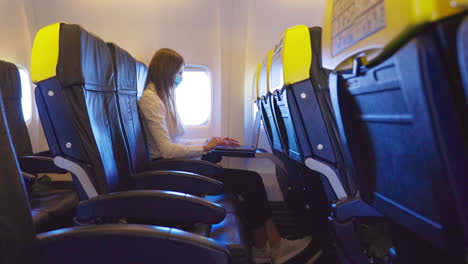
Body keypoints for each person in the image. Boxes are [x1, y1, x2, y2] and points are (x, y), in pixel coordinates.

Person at [138, 48, 318, 264]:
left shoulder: (161, 99)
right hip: (170, 172)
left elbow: (176, 142)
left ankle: (271, 246)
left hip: (179, 166)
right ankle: (270, 248)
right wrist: (205, 148)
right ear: (166, 72)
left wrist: (211, 142)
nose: (181, 78)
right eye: (179, 73)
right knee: (251, 181)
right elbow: (166, 150)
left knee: (252, 181)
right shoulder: (150, 101)